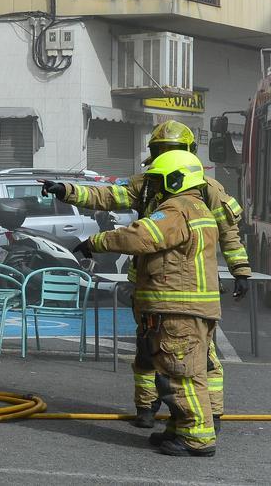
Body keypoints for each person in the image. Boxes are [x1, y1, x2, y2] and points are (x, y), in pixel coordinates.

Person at [41, 120, 249, 430]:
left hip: (188, 289)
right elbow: (109, 196)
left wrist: (240, 269)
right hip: (151, 286)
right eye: (161, 151)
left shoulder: (207, 190)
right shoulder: (151, 183)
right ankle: (148, 407)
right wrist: (68, 191)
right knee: (147, 351)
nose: (166, 158)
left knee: (200, 357)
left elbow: (228, 233)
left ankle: (207, 417)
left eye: (172, 151)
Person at [74, 150, 221, 457]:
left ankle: (197, 437)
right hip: (188, 308)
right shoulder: (196, 207)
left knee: (182, 374)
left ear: (175, 179)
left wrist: (95, 243)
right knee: (177, 371)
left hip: (177, 309)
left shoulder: (176, 209)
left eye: (157, 180)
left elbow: (140, 237)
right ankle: (180, 427)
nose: (152, 187)